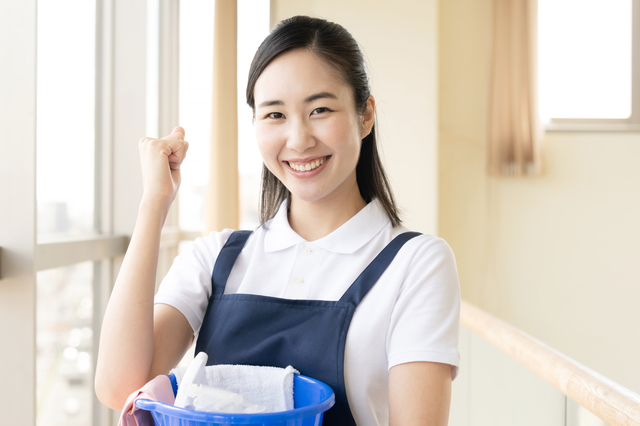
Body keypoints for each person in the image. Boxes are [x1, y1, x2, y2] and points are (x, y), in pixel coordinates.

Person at [96, 15, 460, 426]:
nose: (299, 139)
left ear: (365, 115)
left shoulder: (416, 263)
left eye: (320, 109)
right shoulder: (216, 258)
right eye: (274, 115)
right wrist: (154, 204)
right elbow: (120, 385)